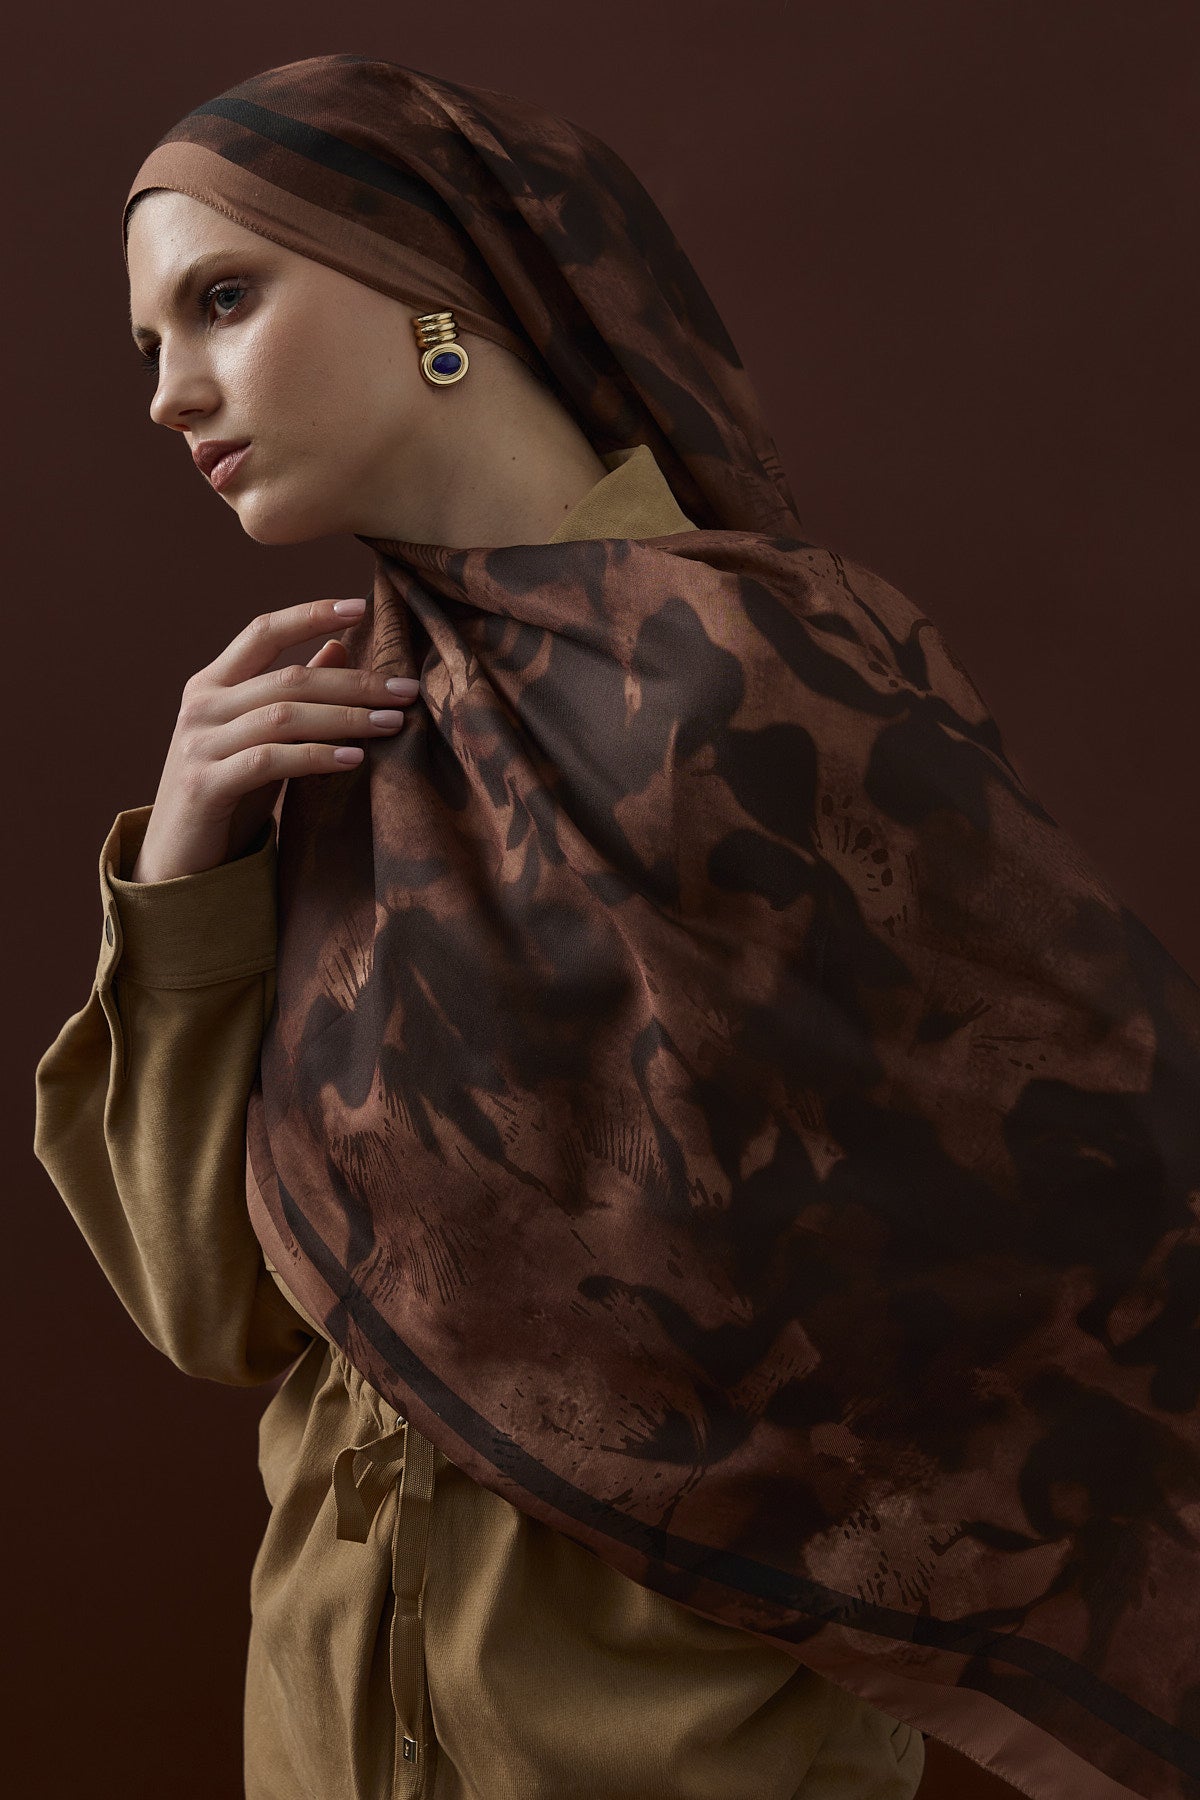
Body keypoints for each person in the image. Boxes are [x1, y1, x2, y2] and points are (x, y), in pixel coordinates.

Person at [34, 54, 1198, 1800]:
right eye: (149, 342)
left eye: (222, 299)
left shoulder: (764, 693)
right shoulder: (352, 724)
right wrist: (188, 874)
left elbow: (1074, 1245)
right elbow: (220, 1315)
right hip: (331, 1746)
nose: (167, 393)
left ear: (437, 289)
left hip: (678, 1755)